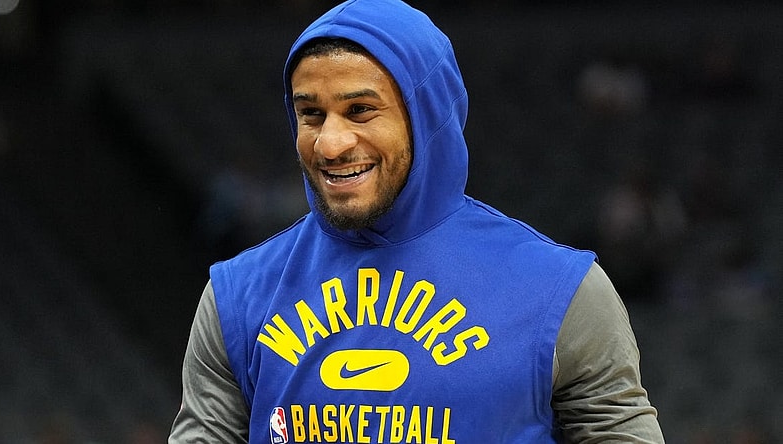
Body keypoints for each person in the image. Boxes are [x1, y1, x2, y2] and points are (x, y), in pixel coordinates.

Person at [168, 0, 665, 442]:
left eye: (360, 110)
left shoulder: (561, 293)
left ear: (426, 115)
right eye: (311, 114)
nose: (330, 143)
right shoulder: (235, 298)